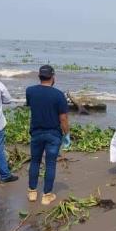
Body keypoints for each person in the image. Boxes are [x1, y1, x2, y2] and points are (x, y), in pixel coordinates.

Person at [26, 65, 70, 205]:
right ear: (53, 77)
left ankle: (32, 192)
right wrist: (66, 134)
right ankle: (46, 195)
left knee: (35, 161)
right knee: (50, 164)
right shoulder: (58, 95)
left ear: (39, 76)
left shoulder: (30, 91)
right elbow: (63, 118)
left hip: (36, 132)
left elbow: (32, 107)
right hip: (53, 134)